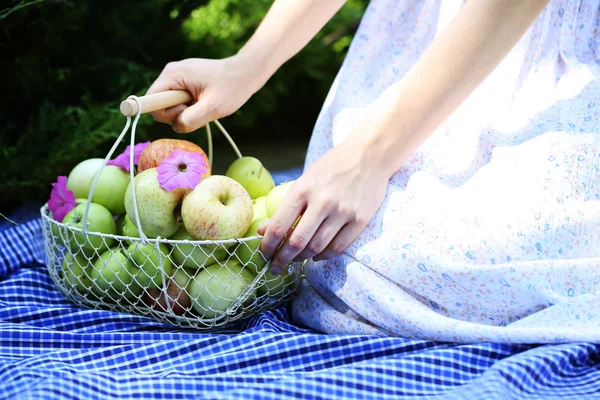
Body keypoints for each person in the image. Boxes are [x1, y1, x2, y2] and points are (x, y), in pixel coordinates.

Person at [147, 0, 600, 343]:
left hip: (542, 51)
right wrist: (247, 65)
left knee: (446, 268)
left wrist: (369, 156)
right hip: (418, 42)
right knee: (343, 251)